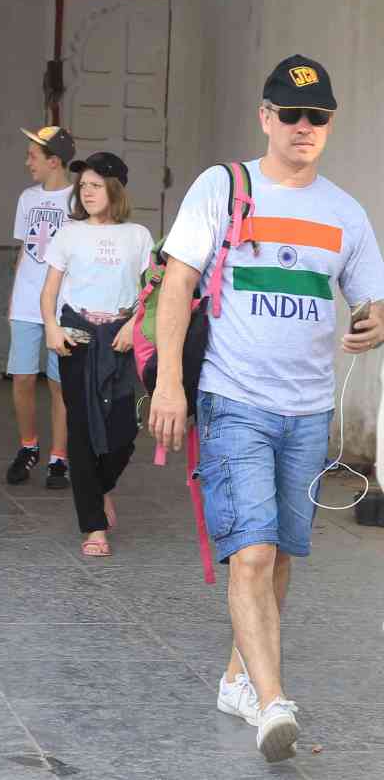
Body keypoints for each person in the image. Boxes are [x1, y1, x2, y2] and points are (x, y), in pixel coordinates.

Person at [149, 54, 384, 763]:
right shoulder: (224, 188)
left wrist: (375, 321)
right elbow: (177, 283)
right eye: (290, 114)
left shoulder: (345, 212)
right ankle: (272, 700)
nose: (303, 127)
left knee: (279, 552)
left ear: (330, 124)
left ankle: (236, 678)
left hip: (309, 412)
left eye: (317, 117)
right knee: (249, 551)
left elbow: (370, 297)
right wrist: (169, 382)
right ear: (266, 118)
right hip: (234, 399)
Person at [41, 152, 153, 556]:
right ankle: (93, 528)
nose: (86, 192)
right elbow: (50, 290)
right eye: (82, 186)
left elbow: (151, 290)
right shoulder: (69, 234)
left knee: (124, 430)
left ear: (115, 189)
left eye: (95, 185)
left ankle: (101, 486)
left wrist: (132, 325)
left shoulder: (138, 235)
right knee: (83, 430)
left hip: (122, 339)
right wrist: (52, 328)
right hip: (78, 337)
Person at [6, 126, 76, 489]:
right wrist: (14, 297)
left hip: (62, 307)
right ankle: (28, 445)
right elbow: (25, 250)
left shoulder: (78, 200)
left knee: (58, 383)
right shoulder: (27, 198)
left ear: (54, 160)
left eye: (33, 156)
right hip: (26, 302)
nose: (27, 162)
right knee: (21, 378)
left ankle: (58, 457)